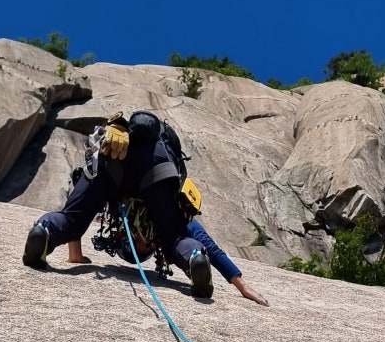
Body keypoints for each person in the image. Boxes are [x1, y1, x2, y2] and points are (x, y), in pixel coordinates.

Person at [22, 110, 268, 305]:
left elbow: (75, 214)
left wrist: (74, 253)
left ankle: (46, 229)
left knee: (72, 220)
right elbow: (208, 244)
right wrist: (241, 285)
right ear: (150, 245)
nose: (139, 243)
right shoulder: (169, 220)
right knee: (176, 239)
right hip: (157, 160)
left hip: (115, 150)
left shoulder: (119, 213)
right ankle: (193, 258)